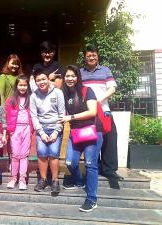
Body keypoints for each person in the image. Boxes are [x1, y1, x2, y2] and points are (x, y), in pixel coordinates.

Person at [60, 65, 103, 212]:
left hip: (93, 132)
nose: (70, 79)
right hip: (76, 133)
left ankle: (92, 199)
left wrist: (70, 117)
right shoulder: (64, 94)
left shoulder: (87, 91)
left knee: (90, 164)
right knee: (70, 162)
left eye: (73, 76)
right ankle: (79, 182)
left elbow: (92, 112)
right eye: (67, 76)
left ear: (78, 77)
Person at [80, 44, 123, 181]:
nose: (91, 57)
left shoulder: (105, 70)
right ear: (85, 57)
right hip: (89, 112)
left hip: (104, 110)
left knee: (110, 138)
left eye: (94, 55)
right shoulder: (80, 73)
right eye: (88, 56)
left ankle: (109, 170)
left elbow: (112, 89)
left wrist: (97, 100)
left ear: (97, 56)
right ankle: (94, 167)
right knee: (91, 140)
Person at [30, 68, 65, 195]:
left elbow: (62, 114)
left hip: (55, 127)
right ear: (35, 82)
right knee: (42, 153)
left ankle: (55, 181)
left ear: (48, 79)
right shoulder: (33, 96)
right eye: (38, 80)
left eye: (43, 79)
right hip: (42, 129)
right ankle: (43, 180)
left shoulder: (58, 93)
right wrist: (41, 132)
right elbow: (34, 116)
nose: (41, 82)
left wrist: (56, 132)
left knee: (54, 153)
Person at [5, 75, 33, 190]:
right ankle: (13, 178)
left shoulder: (31, 98)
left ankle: (22, 179)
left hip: (26, 128)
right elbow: (7, 117)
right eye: (20, 85)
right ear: (16, 86)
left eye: (25, 85)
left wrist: (31, 130)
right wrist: (9, 131)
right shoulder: (11, 100)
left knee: (24, 155)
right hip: (15, 129)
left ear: (28, 86)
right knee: (15, 154)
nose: (22, 87)